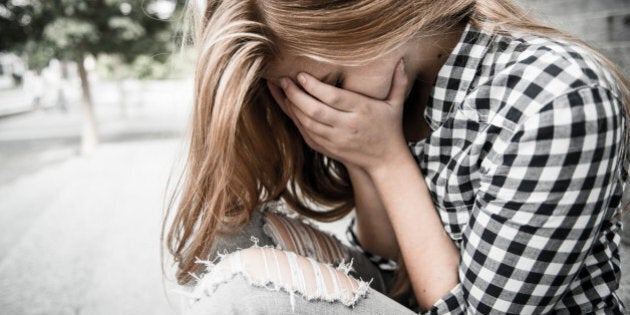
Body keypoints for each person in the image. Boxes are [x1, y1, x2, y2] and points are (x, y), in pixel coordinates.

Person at [163, 0, 630, 313]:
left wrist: (387, 159)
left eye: (333, 83)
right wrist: (361, 156)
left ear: (375, 23)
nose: (328, 110)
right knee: (232, 234)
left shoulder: (555, 96)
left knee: (249, 294)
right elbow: (388, 266)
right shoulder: (395, 93)